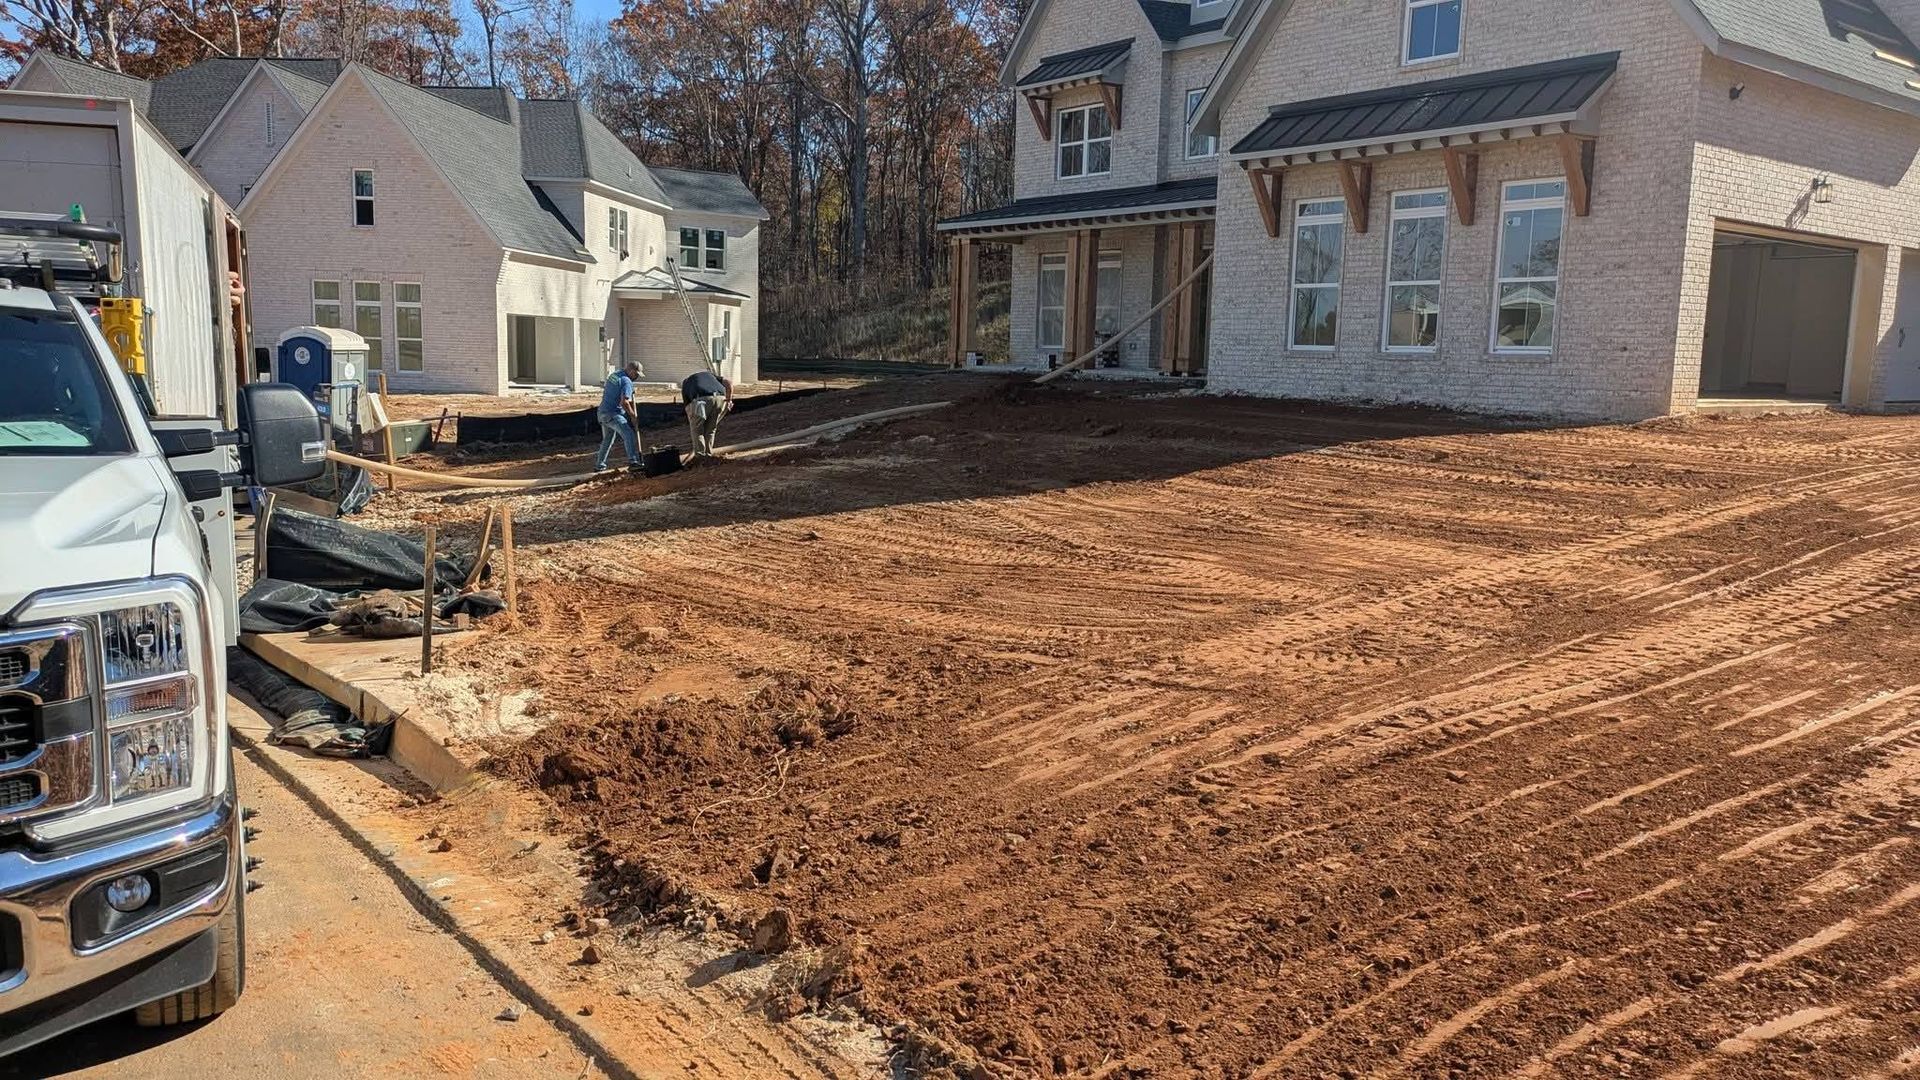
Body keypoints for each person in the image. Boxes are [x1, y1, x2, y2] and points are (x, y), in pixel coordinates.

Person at [595, 360, 644, 472]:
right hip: (613, 414)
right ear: (631, 371)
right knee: (629, 434)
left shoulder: (615, 375)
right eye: (636, 374)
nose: (637, 377)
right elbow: (624, 402)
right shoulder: (627, 381)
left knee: (608, 440)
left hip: (602, 412)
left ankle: (599, 465)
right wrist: (633, 415)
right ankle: (633, 462)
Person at [682, 368, 732, 459]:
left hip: (700, 400)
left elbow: (688, 407)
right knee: (710, 429)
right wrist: (729, 400)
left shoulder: (686, 382)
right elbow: (728, 382)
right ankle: (708, 455)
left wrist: (693, 419)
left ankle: (700, 458)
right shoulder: (711, 376)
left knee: (697, 430)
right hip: (720, 399)